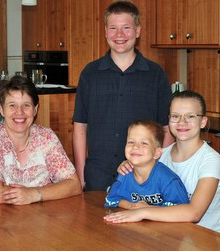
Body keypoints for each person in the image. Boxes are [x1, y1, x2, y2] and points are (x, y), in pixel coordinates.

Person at [72, 1, 173, 191]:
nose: (119, 35)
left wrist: (158, 174)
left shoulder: (156, 74)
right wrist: (80, 175)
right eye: (113, 28)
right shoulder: (90, 73)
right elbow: (80, 128)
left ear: (138, 31)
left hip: (142, 178)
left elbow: (166, 130)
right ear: (105, 32)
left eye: (126, 28)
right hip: (97, 178)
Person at [104, 90, 220, 236]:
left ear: (203, 122)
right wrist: (131, 164)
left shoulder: (210, 159)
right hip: (174, 234)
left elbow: (194, 213)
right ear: (169, 120)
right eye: (176, 116)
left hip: (211, 237)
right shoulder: (160, 156)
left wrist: (142, 212)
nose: (182, 122)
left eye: (190, 116)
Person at [0, 75, 82, 205]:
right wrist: (48, 191)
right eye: (12, 106)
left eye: (26, 105)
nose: (19, 112)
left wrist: (33, 194)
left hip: (44, 219)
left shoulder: (46, 137)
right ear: (1, 110)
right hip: (3, 220)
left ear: (35, 110)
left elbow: (74, 185)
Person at [105, 120, 189, 209]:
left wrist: (148, 210)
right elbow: (111, 199)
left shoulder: (168, 180)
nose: (135, 146)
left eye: (144, 143)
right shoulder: (125, 172)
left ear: (157, 153)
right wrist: (132, 206)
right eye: (131, 142)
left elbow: (182, 209)